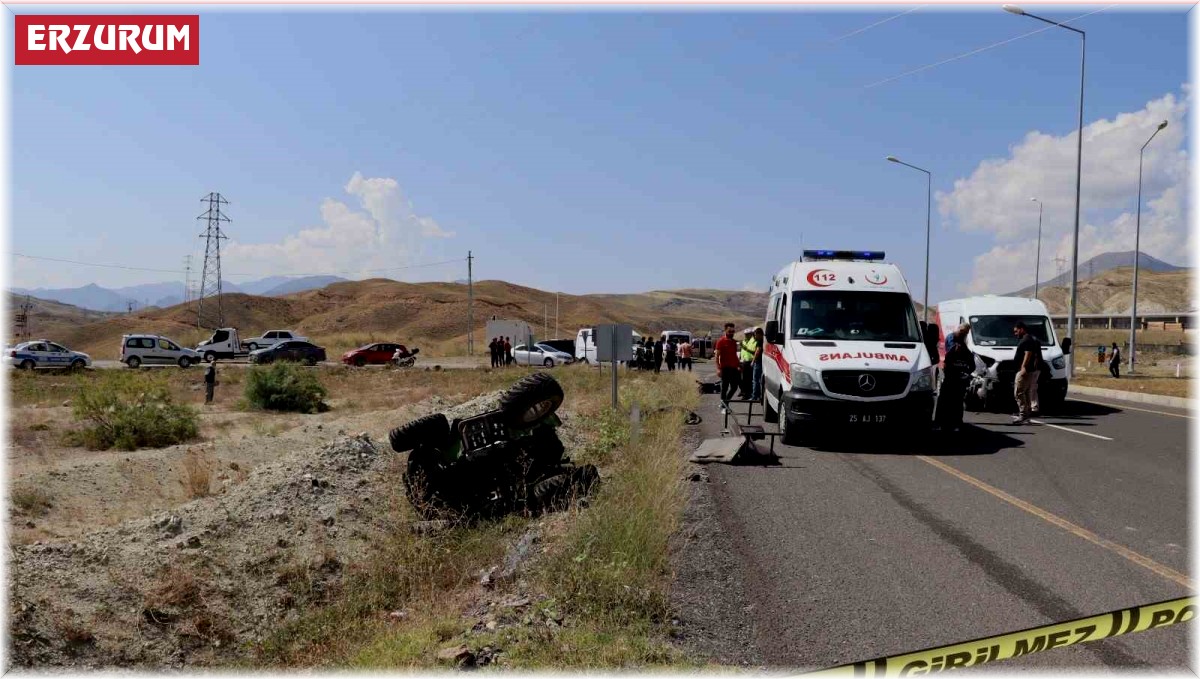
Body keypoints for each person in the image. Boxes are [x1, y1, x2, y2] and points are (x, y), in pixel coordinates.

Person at [935, 324, 974, 431]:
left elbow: (971, 363)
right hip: (950, 376)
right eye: (964, 332)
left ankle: (956, 422)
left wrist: (966, 373)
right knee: (944, 399)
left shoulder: (963, 345)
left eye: (966, 333)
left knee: (957, 400)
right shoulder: (952, 338)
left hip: (958, 377)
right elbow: (951, 353)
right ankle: (939, 422)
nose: (965, 335)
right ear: (960, 330)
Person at [1011, 321, 1041, 424]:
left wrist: (1024, 367)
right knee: (1026, 393)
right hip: (1028, 370)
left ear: (1022, 329)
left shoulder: (1027, 339)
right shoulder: (1028, 339)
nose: (1015, 334)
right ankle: (1027, 416)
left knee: (1018, 393)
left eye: (1016, 331)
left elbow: (1028, 354)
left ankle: (1023, 415)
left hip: (1025, 371)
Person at [714, 323, 741, 410]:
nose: (731, 333)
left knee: (734, 387)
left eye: (733, 331)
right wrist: (718, 369)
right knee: (724, 388)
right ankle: (723, 406)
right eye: (730, 331)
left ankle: (725, 402)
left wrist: (739, 364)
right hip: (725, 368)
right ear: (725, 330)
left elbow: (734, 355)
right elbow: (717, 356)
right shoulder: (720, 341)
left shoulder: (733, 342)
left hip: (734, 368)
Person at [737, 329, 755, 399]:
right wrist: (739, 358)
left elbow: (754, 351)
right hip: (743, 361)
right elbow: (742, 351)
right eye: (746, 334)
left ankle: (747, 394)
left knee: (749, 379)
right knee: (742, 378)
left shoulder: (754, 341)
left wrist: (745, 348)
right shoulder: (744, 341)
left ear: (751, 334)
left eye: (748, 334)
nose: (746, 335)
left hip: (751, 361)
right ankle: (743, 391)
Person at [750, 327, 765, 402]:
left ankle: (754, 396)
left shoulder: (760, 341)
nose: (755, 336)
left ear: (759, 334)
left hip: (758, 362)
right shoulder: (764, 341)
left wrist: (753, 361)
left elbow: (758, 351)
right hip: (763, 362)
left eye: (755, 335)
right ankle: (759, 395)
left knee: (755, 380)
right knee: (759, 380)